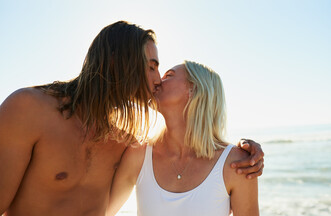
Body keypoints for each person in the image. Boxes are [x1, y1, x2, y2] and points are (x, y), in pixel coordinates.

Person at [0, 21, 263, 216]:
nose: (157, 80)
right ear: (117, 62)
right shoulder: (29, 109)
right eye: (151, 67)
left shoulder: (123, 144)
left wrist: (247, 151)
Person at [108, 61, 259, 216]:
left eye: (169, 76)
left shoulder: (237, 163)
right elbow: (101, 211)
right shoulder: (138, 156)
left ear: (193, 89)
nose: (158, 81)